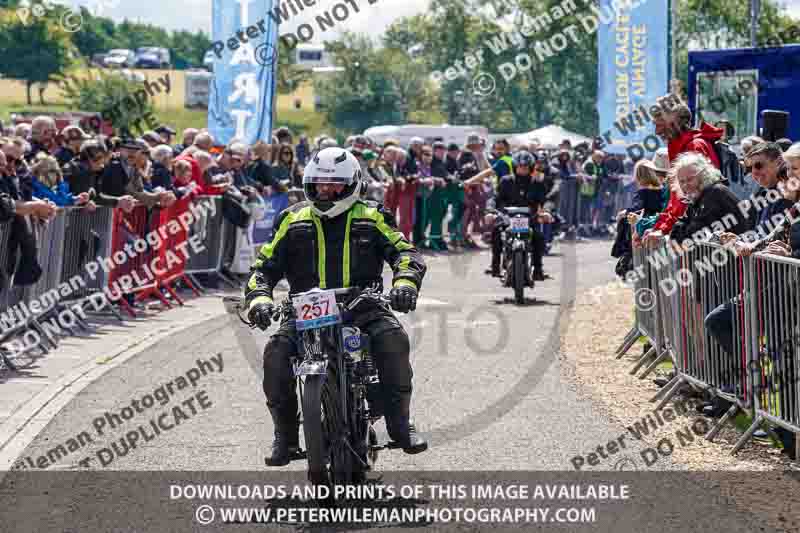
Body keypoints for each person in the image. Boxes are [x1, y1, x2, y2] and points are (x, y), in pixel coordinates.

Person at [244, 147, 428, 468]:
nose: (326, 190)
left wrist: (404, 284)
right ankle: (284, 437)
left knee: (394, 340)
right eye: (319, 184)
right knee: (275, 354)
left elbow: (406, 253)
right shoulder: (292, 218)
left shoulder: (372, 215)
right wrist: (260, 299)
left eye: (335, 184)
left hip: (363, 305)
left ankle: (400, 426)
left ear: (353, 183)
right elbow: (263, 268)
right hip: (305, 310)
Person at [642, 96, 724, 247]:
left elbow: (688, 197)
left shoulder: (694, 145)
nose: (657, 131)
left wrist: (663, 229)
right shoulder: (681, 145)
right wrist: (659, 227)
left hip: (699, 235)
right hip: (691, 231)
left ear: (674, 121)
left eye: (659, 124)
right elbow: (676, 198)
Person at [486, 151, 552, 280]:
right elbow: (495, 198)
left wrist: (547, 212)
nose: (522, 170)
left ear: (531, 168)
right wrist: (490, 211)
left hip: (529, 218)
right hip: (508, 218)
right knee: (496, 233)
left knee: (538, 238)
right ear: (516, 167)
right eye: (520, 167)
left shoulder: (536, 183)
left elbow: (546, 200)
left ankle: (538, 269)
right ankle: (495, 265)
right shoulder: (506, 181)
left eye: (526, 167)